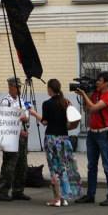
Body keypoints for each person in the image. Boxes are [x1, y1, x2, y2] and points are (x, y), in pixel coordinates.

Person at [29, 79, 82, 207]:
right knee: (64, 167)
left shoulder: (47, 104)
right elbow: (70, 122)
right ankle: (64, 197)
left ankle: (57, 198)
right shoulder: (66, 103)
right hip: (64, 139)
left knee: (54, 168)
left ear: (50, 89)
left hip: (52, 139)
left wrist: (34, 113)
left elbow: (45, 122)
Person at [76, 71, 108, 206]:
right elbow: (86, 109)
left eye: (99, 80)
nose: (97, 82)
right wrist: (84, 96)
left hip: (103, 134)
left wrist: (83, 94)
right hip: (91, 133)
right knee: (91, 166)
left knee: (107, 166)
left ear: (106, 82)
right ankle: (90, 195)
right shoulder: (96, 94)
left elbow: (93, 108)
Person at [0, 77, 31, 202]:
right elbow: (4, 120)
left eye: (20, 87)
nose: (19, 89)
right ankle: (4, 191)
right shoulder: (6, 101)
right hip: (11, 137)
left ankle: (18, 190)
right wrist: (18, 124)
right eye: (16, 87)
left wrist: (25, 121)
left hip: (22, 136)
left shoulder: (21, 100)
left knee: (22, 164)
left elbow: (26, 115)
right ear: (10, 87)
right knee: (9, 165)